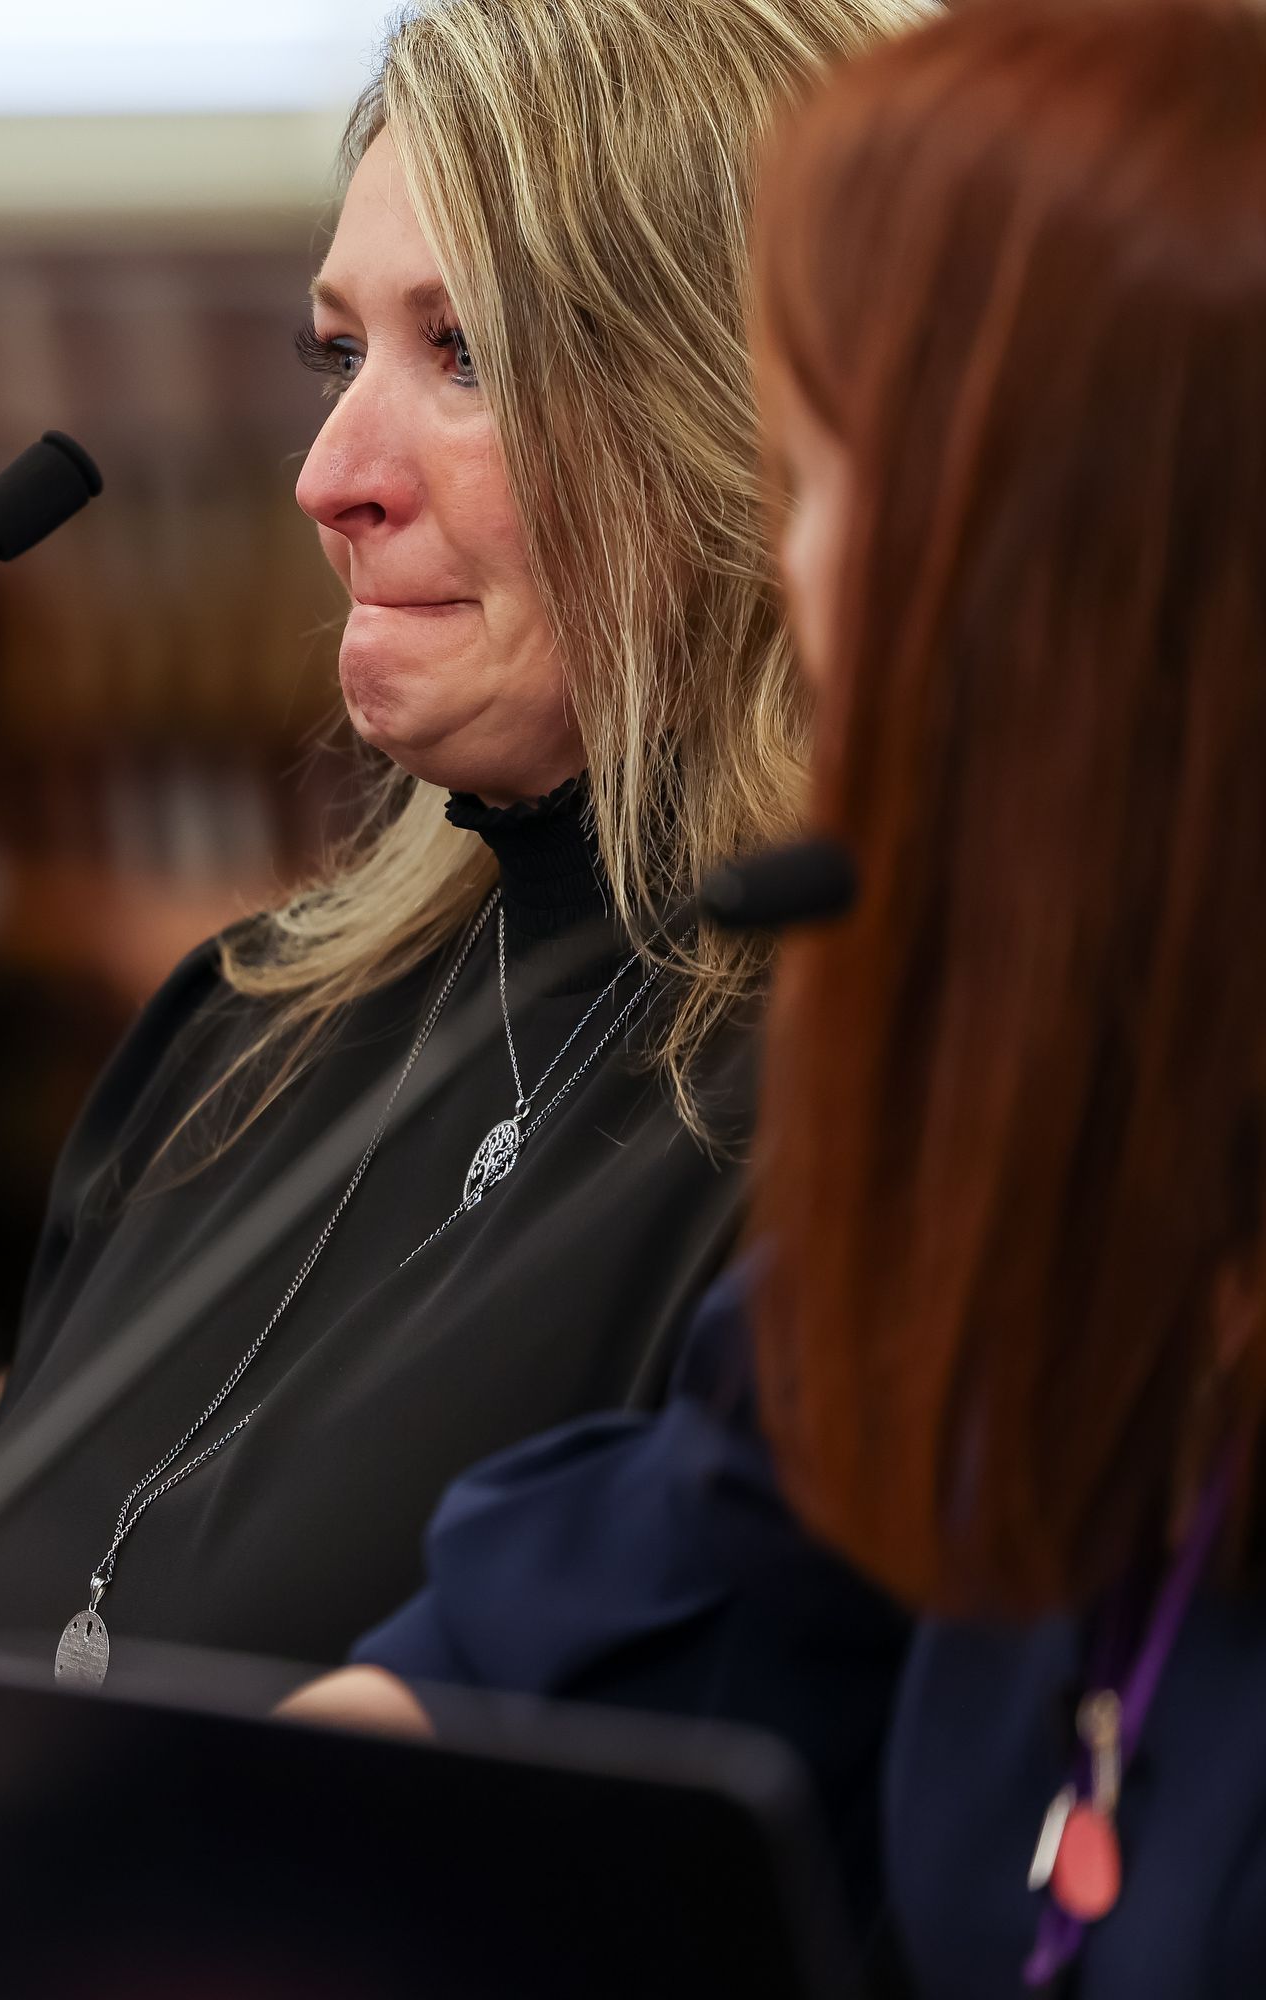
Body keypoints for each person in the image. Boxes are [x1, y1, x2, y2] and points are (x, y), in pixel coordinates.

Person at [287, 3, 1266, 1988]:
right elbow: (601, 1599)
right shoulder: (1030, 1155)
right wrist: (76, 1874)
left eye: (828, 481)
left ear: (1128, 556)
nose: (796, 591)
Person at [0, 0, 920, 1675]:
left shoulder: (873, 1106)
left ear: (746, 420)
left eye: (468, 354)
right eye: (338, 351)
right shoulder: (241, 1033)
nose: (329, 474)